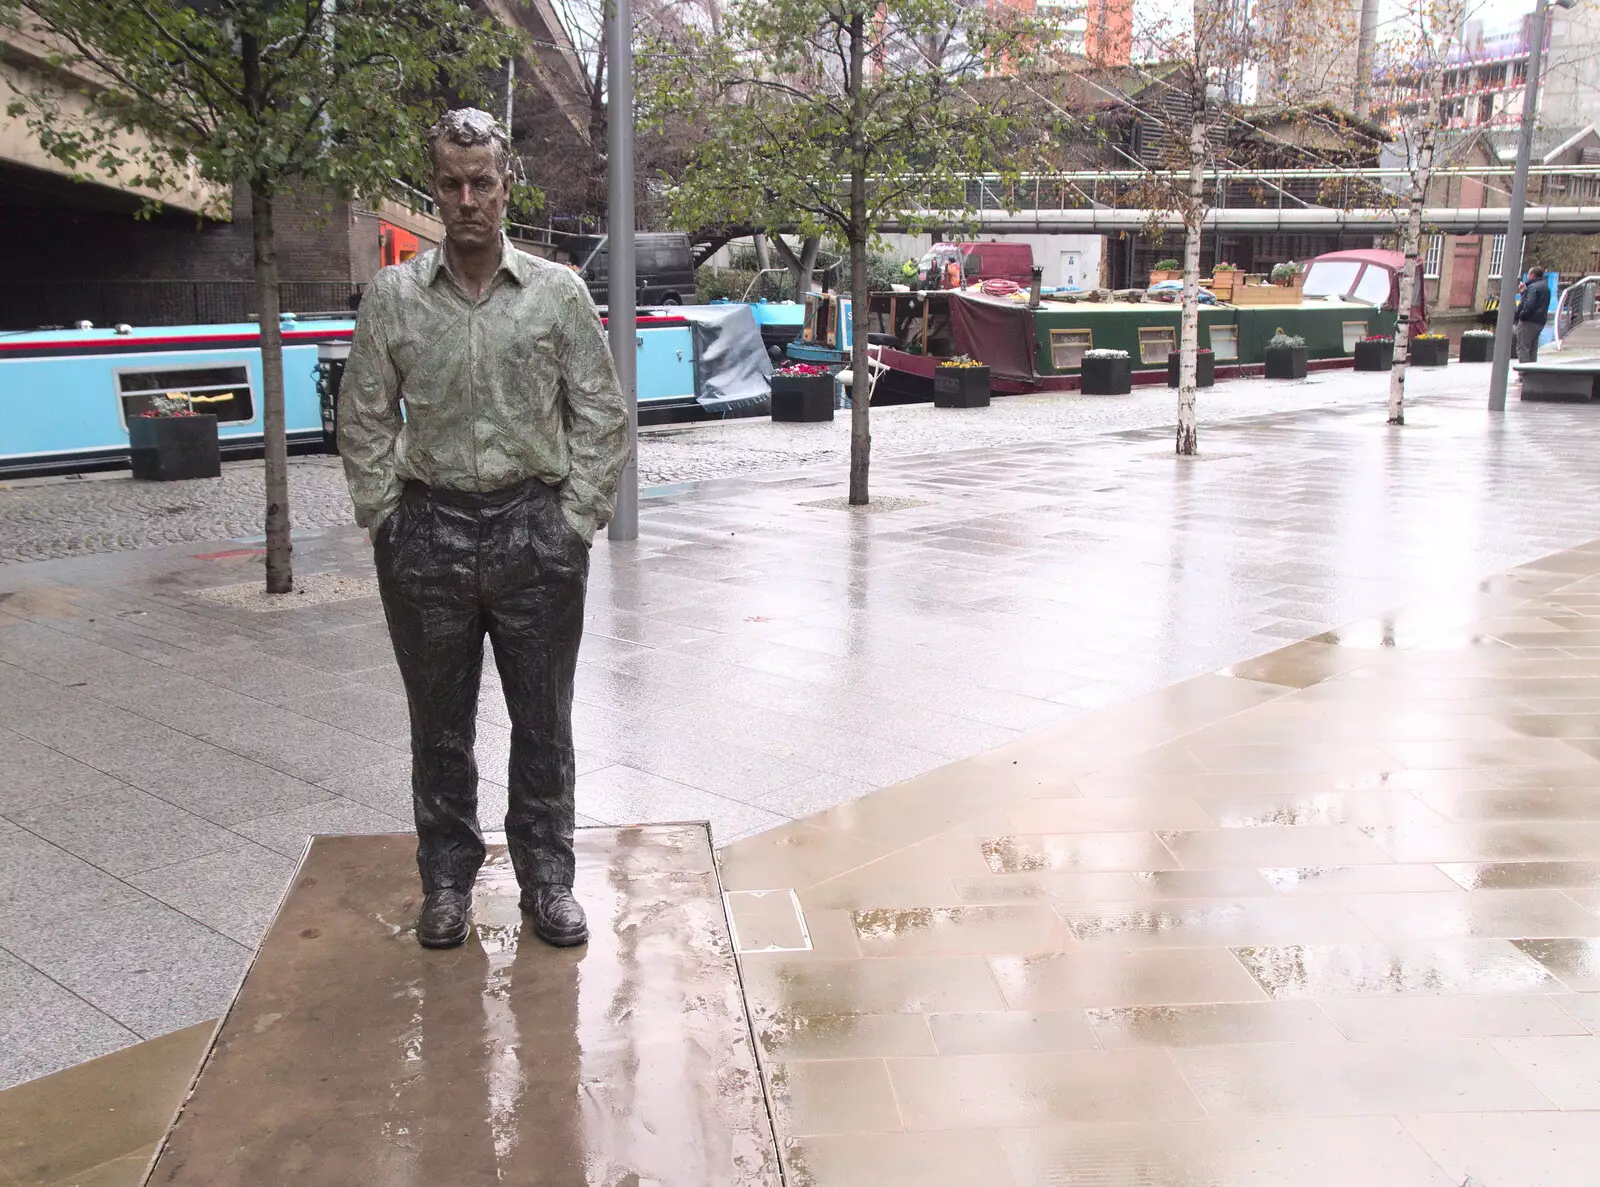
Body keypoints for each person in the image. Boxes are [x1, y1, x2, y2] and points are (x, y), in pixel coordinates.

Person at [339, 108, 629, 951]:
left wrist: (573, 521)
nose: (467, 199)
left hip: (534, 531)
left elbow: (602, 416)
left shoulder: (557, 293)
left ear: (507, 188)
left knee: (544, 721)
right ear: (435, 189)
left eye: (483, 183)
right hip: (428, 532)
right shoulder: (394, 299)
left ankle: (547, 877)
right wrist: (388, 520)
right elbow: (361, 420)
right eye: (451, 184)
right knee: (438, 726)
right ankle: (447, 879)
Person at [1515, 265, 1550, 363]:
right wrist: (1524, 292)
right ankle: (1532, 373)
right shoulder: (1545, 287)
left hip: (1528, 321)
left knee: (1523, 348)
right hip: (1539, 321)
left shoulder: (1533, 288)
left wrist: (1522, 316)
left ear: (1532, 275)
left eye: (1529, 274)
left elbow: (1529, 304)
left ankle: (1523, 374)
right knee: (1532, 350)